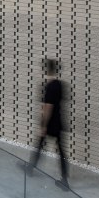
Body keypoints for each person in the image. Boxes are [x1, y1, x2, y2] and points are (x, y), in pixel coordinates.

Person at [26, 57, 69, 189]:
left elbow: (47, 107)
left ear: (46, 70)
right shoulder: (61, 85)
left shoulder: (49, 87)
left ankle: (31, 167)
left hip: (49, 124)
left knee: (40, 145)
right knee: (60, 151)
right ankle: (64, 179)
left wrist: (43, 125)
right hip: (58, 122)